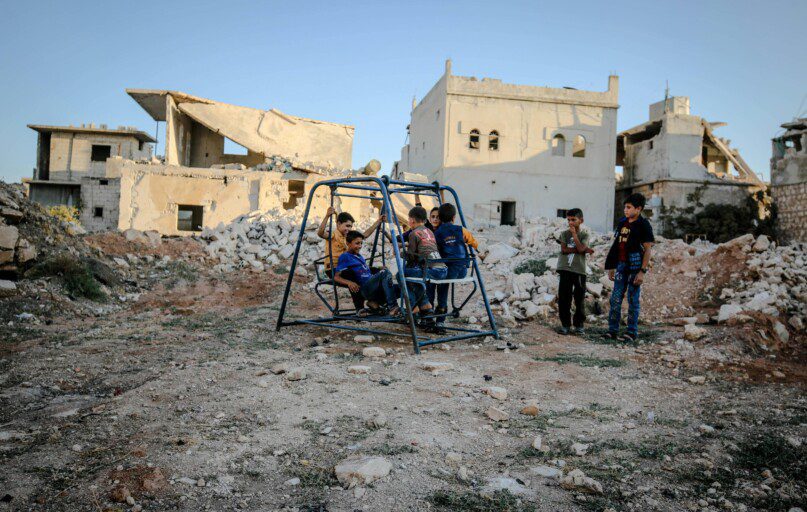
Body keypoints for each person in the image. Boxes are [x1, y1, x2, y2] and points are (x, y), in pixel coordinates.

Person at [603, 193, 655, 342]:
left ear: (638, 209)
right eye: (625, 207)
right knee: (615, 299)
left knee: (633, 300)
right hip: (621, 266)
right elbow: (616, 245)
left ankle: (631, 332)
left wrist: (642, 272)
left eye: (629, 207)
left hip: (634, 267)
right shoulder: (622, 223)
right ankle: (612, 331)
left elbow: (647, 249)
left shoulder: (643, 225)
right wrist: (611, 266)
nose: (625, 210)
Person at [317, 207, 385, 311]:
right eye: (347, 226)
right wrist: (327, 216)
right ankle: (359, 308)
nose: (348, 229)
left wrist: (378, 221)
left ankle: (374, 300)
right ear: (338, 224)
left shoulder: (348, 236)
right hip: (334, 269)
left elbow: (365, 235)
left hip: (348, 267)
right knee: (355, 277)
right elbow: (320, 233)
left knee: (376, 272)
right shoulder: (333, 235)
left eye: (350, 226)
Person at [333, 231, 400, 316]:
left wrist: (378, 269)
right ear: (348, 243)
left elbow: (365, 269)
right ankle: (393, 307)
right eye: (357, 243)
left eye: (361, 243)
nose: (360, 246)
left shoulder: (359, 256)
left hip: (372, 286)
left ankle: (375, 302)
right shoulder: (345, 256)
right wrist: (349, 282)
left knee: (401, 287)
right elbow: (336, 277)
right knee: (384, 273)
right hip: (365, 288)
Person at [401, 206, 447, 330]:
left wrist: (400, 252)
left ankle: (414, 309)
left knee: (401, 275)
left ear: (411, 220)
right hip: (442, 269)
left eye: (409, 219)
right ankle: (426, 308)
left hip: (432, 270)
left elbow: (411, 257)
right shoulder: (429, 231)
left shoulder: (413, 233)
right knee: (414, 280)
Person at [433, 203, 479, 324]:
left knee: (441, 285)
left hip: (448, 272)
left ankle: (440, 318)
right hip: (463, 271)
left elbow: (434, 250)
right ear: (454, 217)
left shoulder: (437, 233)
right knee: (446, 278)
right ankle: (442, 313)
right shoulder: (461, 229)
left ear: (439, 218)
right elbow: (474, 242)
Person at [556, 208, 594, 335]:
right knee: (564, 298)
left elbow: (581, 247)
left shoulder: (585, 235)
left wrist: (575, 237)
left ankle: (579, 325)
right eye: (568, 220)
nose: (570, 222)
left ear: (581, 220)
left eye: (573, 220)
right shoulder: (564, 234)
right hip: (565, 269)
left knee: (579, 298)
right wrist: (584, 250)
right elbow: (564, 250)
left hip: (579, 271)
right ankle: (565, 325)